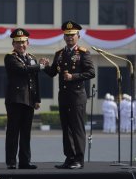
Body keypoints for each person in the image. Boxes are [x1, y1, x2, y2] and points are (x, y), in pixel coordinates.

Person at [44, 20, 95, 169]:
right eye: (67, 35)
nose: (69, 38)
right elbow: (53, 72)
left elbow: (91, 73)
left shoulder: (83, 53)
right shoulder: (59, 54)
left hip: (77, 96)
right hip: (64, 96)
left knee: (77, 128)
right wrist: (45, 66)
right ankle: (69, 158)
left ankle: (79, 159)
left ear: (78, 36)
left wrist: (74, 77)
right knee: (66, 128)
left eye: (72, 35)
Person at [4, 28, 46, 169]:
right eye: (18, 42)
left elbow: (35, 81)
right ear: (13, 44)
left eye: (23, 42)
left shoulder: (32, 58)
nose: (21, 45)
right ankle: (11, 161)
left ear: (28, 42)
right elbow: (22, 70)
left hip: (29, 100)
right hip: (15, 100)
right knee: (13, 132)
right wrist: (40, 66)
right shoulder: (10, 57)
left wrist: (37, 99)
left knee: (26, 133)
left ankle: (24, 161)